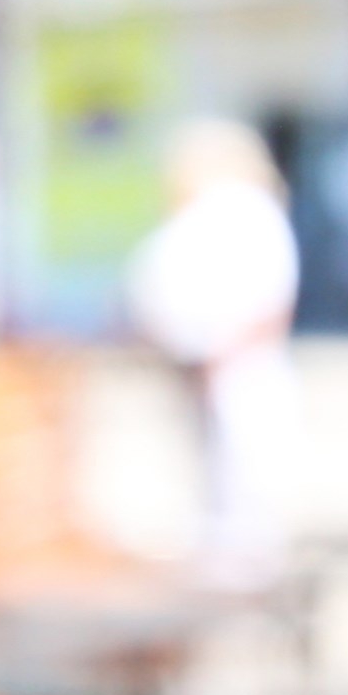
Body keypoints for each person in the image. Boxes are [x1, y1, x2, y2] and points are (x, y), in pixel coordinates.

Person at [129, 120, 303, 585]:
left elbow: (271, 300)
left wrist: (221, 353)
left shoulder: (246, 211)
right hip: (195, 361)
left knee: (242, 472)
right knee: (208, 471)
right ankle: (222, 557)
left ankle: (245, 566)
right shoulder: (205, 213)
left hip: (237, 366)